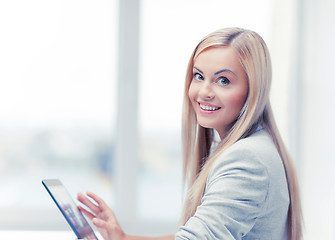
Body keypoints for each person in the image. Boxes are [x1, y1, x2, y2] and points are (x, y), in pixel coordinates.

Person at [77, 27, 303, 240]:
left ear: (253, 89)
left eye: (223, 81)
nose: (204, 92)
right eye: (199, 76)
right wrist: (123, 238)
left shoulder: (246, 158)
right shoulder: (257, 147)